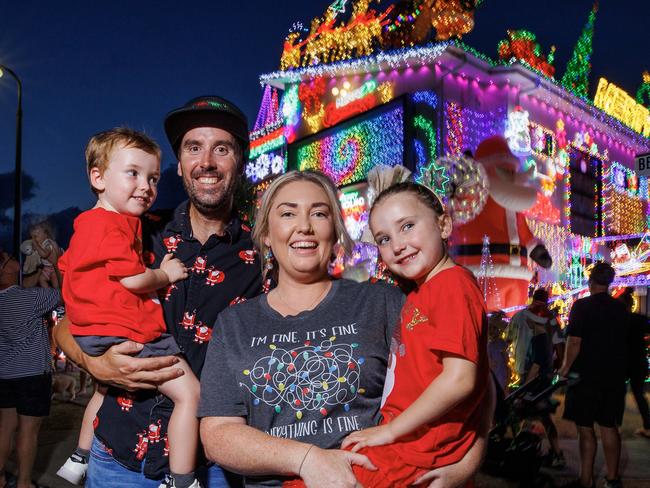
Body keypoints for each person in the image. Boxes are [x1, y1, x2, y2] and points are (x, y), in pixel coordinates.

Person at [198, 171, 490, 488]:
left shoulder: (384, 302)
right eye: (287, 213)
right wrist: (308, 459)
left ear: (336, 230)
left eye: (320, 213)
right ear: (267, 233)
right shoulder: (234, 324)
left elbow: (473, 380)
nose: (304, 226)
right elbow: (217, 435)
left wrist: (464, 465)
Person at [53, 96, 262, 487]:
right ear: (179, 164)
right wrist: (95, 362)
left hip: (210, 465)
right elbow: (65, 323)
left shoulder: (262, 252)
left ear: (240, 161)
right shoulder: (137, 231)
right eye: (193, 148)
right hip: (118, 459)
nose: (207, 162)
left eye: (222, 148)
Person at [55, 128, 201, 488]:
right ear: (98, 177)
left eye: (152, 177)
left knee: (103, 392)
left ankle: (79, 457)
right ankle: (183, 479)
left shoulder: (87, 225)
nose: (146, 186)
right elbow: (133, 280)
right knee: (191, 394)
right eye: (133, 173)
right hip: (127, 332)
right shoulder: (114, 227)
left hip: (96, 333)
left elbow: (69, 271)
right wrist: (164, 273)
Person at [337, 180, 489, 487]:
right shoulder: (424, 290)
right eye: (383, 238)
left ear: (444, 224)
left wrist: (389, 432)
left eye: (407, 226)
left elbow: (460, 379)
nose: (397, 245)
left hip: (415, 450)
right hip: (409, 443)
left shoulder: (452, 285)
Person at [559, 262, 629, 488]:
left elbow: (575, 341)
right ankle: (612, 478)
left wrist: (565, 368)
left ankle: (586, 480)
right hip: (613, 377)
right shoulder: (621, 309)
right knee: (609, 427)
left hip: (585, 376)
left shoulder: (581, 306)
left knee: (585, 428)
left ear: (590, 282)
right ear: (608, 283)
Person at [0, 248, 61, 488]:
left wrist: (36, 274)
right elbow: (67, 294)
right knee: (28, 430)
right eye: (10, 259)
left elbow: (18, 285)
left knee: (5, 427)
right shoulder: (30, 298)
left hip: (4, 374)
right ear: (5, 269)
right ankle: (24, 482)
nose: (16, 259)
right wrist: (56, 264)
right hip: (33, 374)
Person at [521, 314, 564, 469]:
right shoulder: (545, 337)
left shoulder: (539, 338)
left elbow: (536, 364)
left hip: (536, 385)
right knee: (543, 419)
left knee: (530, 414)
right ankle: (555, 452)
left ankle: (531, 450)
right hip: (542, 384)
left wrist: (525, 386)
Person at [618, 287, 650, 438]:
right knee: (639, 394)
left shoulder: (618, 320)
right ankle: (648, 426)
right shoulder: (640, 319)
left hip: (622, 361)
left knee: (619, 394)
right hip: (638, 361)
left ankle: (616, 426)